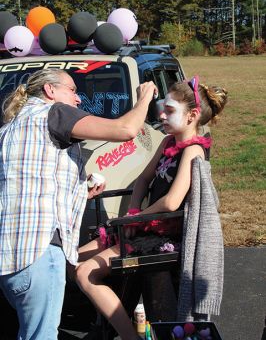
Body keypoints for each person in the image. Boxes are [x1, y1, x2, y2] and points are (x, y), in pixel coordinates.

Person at [0, 68, 157, 340]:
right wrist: (144, 98)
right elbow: (126, 129)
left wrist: (80, 193)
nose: (78, 99)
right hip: (39, 254)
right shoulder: (55, 113)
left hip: (10, 258)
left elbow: (25, 185)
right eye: (72, 90)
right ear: (50, 91)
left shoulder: (9, 128)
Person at [74, 75, 228, 340]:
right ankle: (114, 319)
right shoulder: (168, 143)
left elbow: (171, 202)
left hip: (162, 236)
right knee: (70, 257)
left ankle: (126, 334)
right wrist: (133, 212)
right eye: (163, 108)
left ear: (192, 116)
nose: (162, 115)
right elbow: (143, 179)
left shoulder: (193, 151)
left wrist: (135, 220)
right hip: (142, 225)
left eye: (170, 111)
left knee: (84, 272)